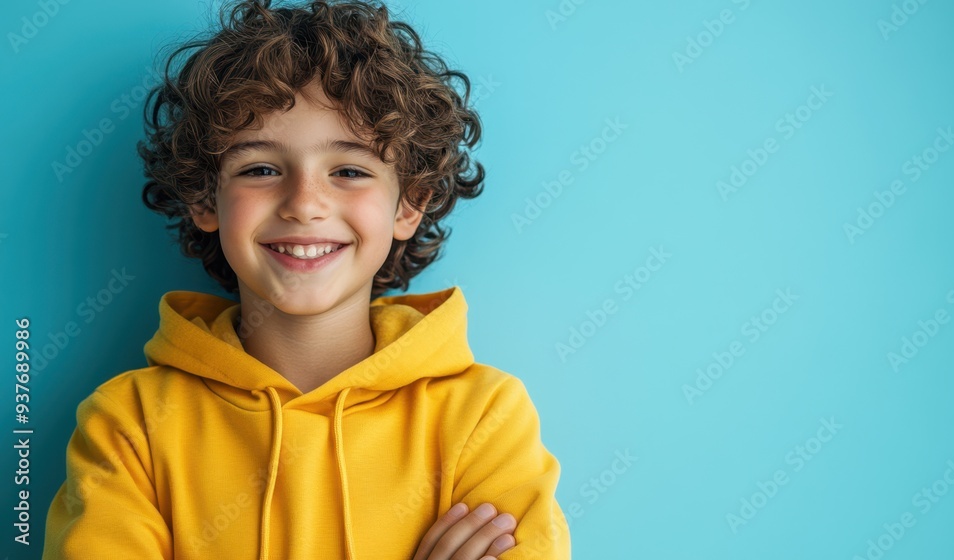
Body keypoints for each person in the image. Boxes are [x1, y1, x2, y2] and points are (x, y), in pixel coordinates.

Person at [40, 0, 570, 558]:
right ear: (204, 199)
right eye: (261, 169)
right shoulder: (129, 425)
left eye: (349, 171)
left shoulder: (484, 417)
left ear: (409, 205)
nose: (304, 204)